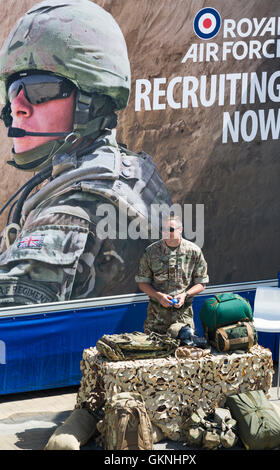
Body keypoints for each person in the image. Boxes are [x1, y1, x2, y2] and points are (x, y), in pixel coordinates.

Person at [0, 0, 172, 306]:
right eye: (15, 90)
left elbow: (12, 333)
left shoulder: (70, 216)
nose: (18, 107)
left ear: (90, 100)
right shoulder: (126, 170)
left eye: (40, 90)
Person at [135, 215, 209, 335]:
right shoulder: (151, 252)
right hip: (156, 319)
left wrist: (185, 295)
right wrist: (159, 296)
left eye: (170, 229)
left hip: (183, 317)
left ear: (180, 230)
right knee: (154, 352)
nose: (166, 233)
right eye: (163, 229)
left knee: (184, 350)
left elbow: (201, 283)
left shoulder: (193, 251)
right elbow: (143, 283)